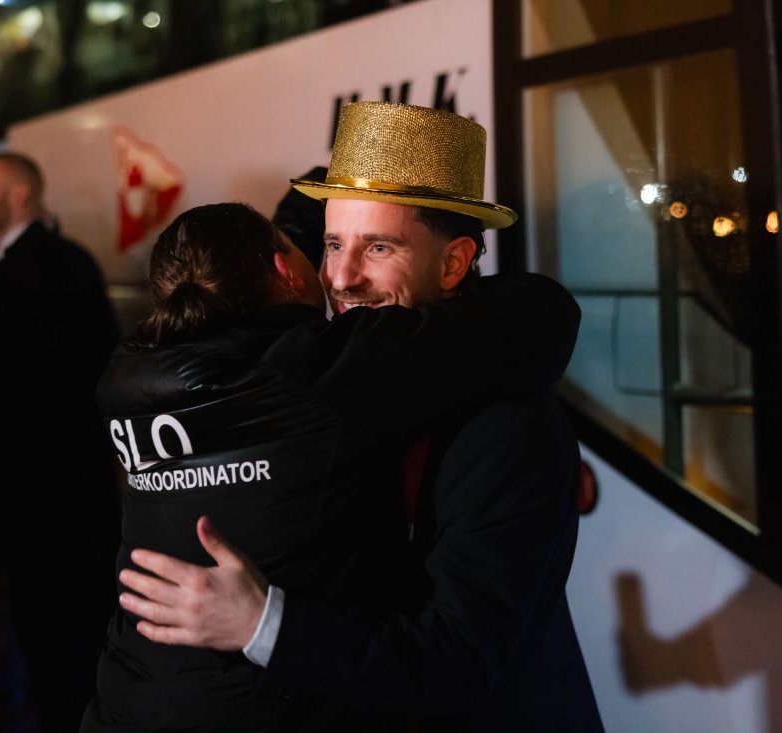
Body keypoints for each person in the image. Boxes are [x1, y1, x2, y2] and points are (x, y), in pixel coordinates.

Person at [116, 101, 605, 731]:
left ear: (454, 263)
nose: (341, 277)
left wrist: (261, 623)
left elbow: (458, 660)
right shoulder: (331, 379)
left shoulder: (507, 425)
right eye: (331, 243)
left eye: (378, 246)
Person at [0, 151, 122, 732]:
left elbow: (36, 390)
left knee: (59, 635)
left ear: (19, 195)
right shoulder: (56, 264)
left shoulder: (33, 271)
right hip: (66, 493)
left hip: (47, 498)